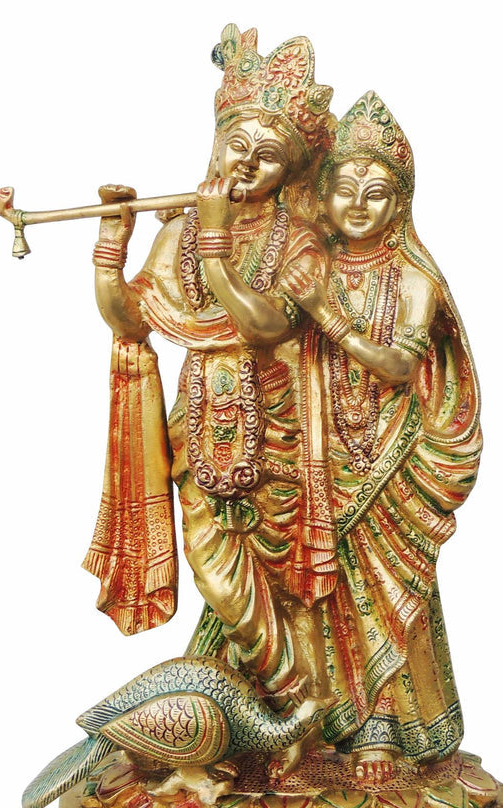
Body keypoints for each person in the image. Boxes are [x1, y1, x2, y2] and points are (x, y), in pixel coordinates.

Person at [85, 25, 338, 724]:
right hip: (199, 432)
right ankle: (288, 699)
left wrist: (220, 247)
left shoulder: (300, 240)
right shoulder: (180, 233)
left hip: (281, 438)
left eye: (267, 155)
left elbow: (264, 324)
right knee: (216, 571)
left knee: (286, 584)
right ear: (216, 144)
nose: (247, 164)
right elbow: (130, 319)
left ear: (288, 173)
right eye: (237, 145)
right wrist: (111, 247)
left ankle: (302, 711)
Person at [283, 91, 482, 783]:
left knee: (390, 590)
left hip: (393, 457)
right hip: (320, 451)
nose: (359, 207)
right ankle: (306, 718)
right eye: (345, 191)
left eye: (376, 195)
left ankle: (385, 728)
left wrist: (327, 315)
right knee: (321, 586)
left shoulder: (415, 279)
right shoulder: (312, 261)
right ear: (324, 195)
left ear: (399, 204)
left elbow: (398, 365)